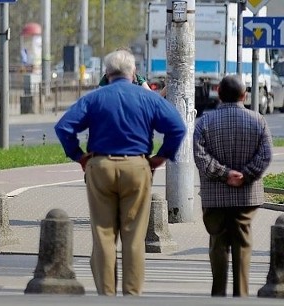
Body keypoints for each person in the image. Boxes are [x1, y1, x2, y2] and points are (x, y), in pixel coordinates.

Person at [54, 49, 186, 296]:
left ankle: (106, 295)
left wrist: (79, 156)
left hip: (101, 166)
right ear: (133, 72)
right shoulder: (148, 98)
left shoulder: (96, 98)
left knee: (103, 235)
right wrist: (159, 158)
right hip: (137, 167)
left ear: (107, 73)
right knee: (134, 238)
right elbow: (177, 128)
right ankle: (131, 296)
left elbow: (64, 127)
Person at [193, 75, 272, 297]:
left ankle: (218, 295)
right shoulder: (258, 120)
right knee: (243, 244)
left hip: (214, 198)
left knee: (217, 244)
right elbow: (265, 155)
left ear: (218, 93)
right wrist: (245, 176)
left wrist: (224, 174)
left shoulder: (204, 123)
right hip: (246, 197)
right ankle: (241, 296)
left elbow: (200, 157)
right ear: (244, 95)